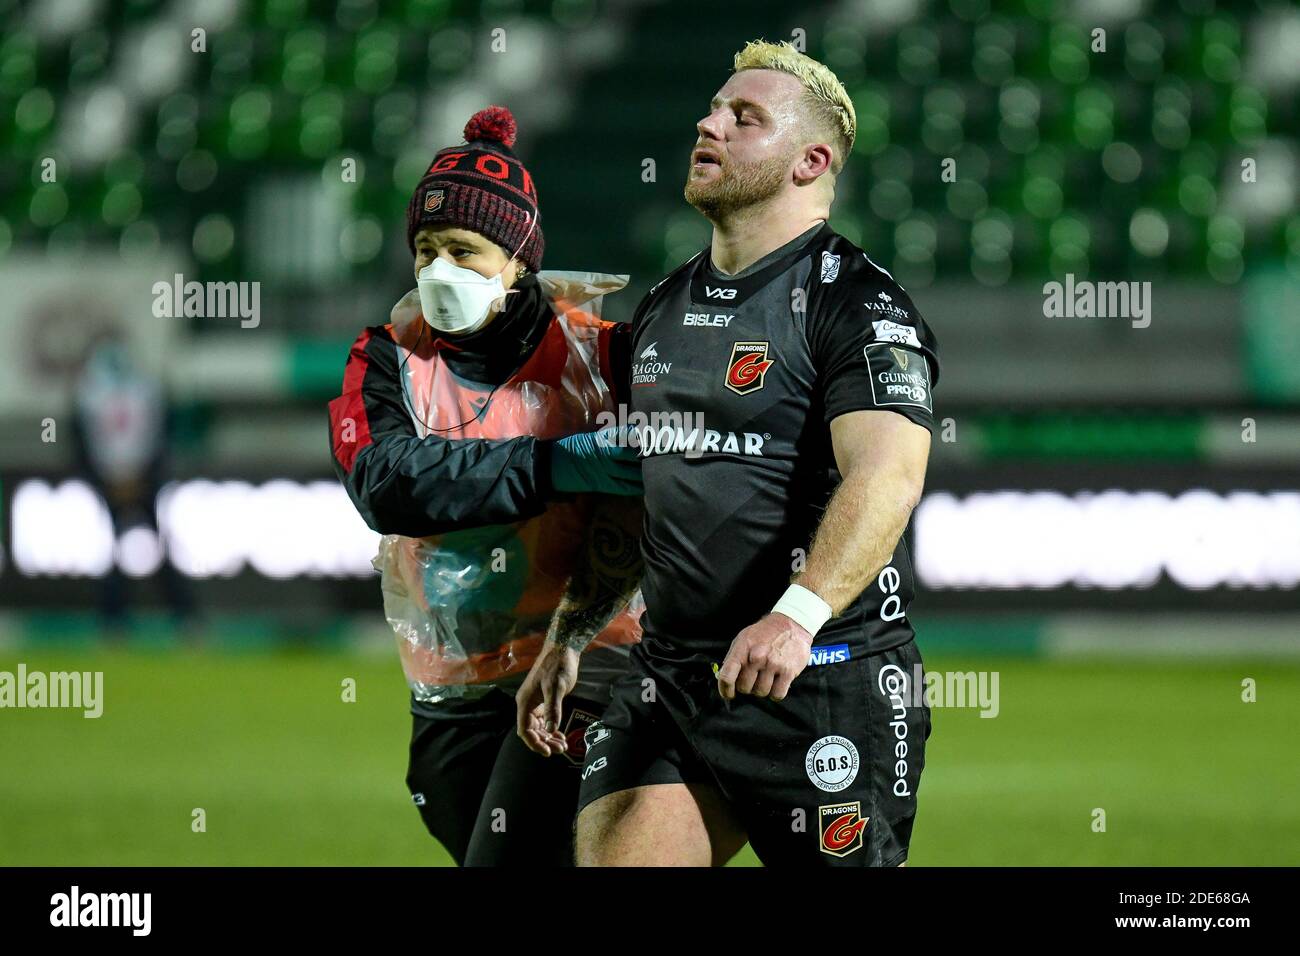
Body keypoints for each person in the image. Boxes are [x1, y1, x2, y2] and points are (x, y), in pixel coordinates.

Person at [558, 40, 942, 866]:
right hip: (671, 676)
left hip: (820, 681)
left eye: (745, 117)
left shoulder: (860, 302)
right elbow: (642, 489)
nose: (709, 123)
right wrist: (571, 636)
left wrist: (795, 618)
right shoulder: (664, 301)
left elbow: (889, 474)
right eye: (712, 108)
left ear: (811, 161)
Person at [327, 105, 643, 866]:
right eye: (425, 249)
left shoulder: (607, 356)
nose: (439, 269)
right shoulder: (386, 358)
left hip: (585, 663)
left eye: (464, 251)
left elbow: (644, 503)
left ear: (519, 260)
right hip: (450, 687)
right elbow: (384, 483)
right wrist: (553, 464)